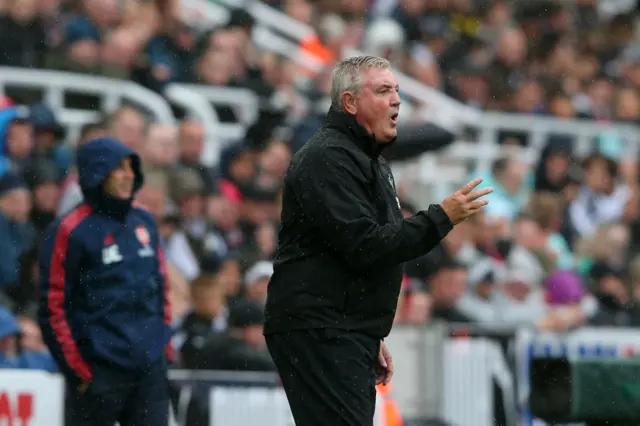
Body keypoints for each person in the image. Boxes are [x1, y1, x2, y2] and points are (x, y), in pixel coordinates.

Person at [263, 55, 492, 426]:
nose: (396, 100)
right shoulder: (327, 158)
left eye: (397, 91)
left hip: (340, 326)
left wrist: (367, 330)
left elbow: (371, 247)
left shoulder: (369, 161)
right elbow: (367, 245)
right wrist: (441, 216)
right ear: (350, 102)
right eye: (383, 90)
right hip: (322, 327)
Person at [37, 136, 172, 426]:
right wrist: (79, 373)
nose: (128, 175)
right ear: (97, 172)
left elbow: (162, 287)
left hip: (149, 371)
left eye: (131, 167)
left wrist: (164, 349)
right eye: (118, 168)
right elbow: (52, 307)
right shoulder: (69, 230)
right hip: (99, 372)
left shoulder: (145, 220)